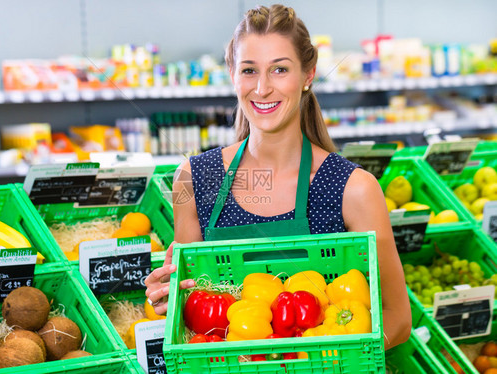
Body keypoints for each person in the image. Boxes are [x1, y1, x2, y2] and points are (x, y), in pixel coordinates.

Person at [145, 4, 411, 350]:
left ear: (308, 75)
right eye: (249, 70)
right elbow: (194, 311)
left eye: (280, 70)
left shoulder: (354, 189)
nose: (263, 88)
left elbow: (397, 317)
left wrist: (324, 362)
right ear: (232, 75)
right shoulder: (192, 179)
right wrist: (170, 303)